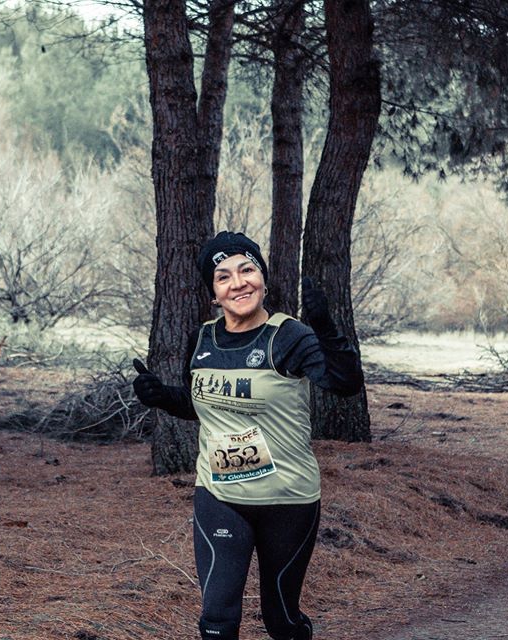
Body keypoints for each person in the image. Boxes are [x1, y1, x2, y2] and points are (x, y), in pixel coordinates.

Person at [132, 231, 364, 640]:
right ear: (213, 293)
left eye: (247, 270)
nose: (238, 283)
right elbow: (204, 404)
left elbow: (345, 384)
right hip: (220, 494)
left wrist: (326, 328)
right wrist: (163, 397)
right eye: (223, 277)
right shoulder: (202, 339)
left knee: (281, 620)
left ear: (263, 279)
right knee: (217, 618)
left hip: (287, 499)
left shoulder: (288, 336)